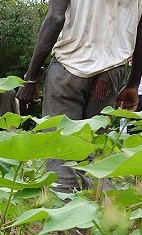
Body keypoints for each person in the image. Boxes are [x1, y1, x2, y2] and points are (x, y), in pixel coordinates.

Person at [18, 0, 142, 193]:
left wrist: (31, 78)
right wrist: (133, 82)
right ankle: (101, 216)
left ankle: (67, 220)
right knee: (93, 158)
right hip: (110, 73)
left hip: (68, 68)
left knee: (60, 152)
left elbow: (55, 17)